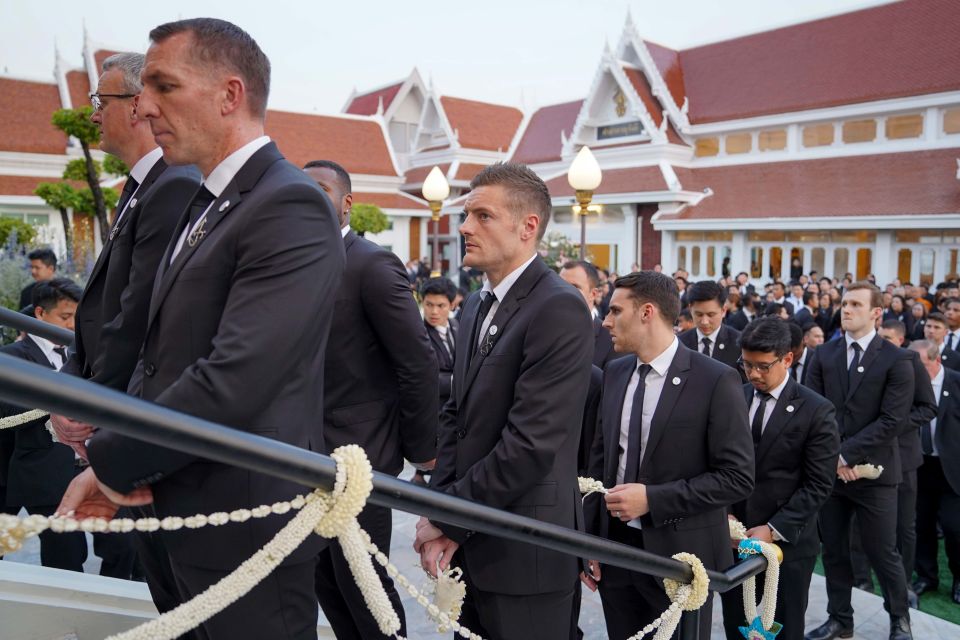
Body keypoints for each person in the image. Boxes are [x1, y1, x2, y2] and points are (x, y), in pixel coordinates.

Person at [57, 18, 345, 639]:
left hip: (245, 521)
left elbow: (234, 379)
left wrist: (113, 463)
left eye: (163, 85)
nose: (145, 105)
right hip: (179, 501)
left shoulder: (288, 203)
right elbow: (156, 355)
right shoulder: (204, 200)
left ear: (230, 95)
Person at [413, 163, 593, 640]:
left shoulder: (558, 306)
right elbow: (457, 419)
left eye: (483, 216)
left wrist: (450, 519)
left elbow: (530, 444)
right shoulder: (475, 303)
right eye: (466, 214)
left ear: (527, 226)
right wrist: (438, 508)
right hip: (473, 539)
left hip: (526, 549)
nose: (466, 227)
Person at [49, 52, 202, 587]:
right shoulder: (138, 187)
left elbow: (135, 318)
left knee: (170, 582)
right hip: (115, 413)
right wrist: (70, 386)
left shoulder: (175, 184)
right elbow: (97, 315)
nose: (93, 114)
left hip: (141, 416)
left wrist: (88, 404)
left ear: (137, 105)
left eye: (100, 101)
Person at [305, 158, 437, 640]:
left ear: (347, 203)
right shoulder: (290, 264)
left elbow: (416, 360)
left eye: (319, 189)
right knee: (325, 584)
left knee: (365, 587)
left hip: (359, 455)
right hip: (300, 453)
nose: (307, 196)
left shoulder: (371, 263)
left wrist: (421, 450)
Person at [582, 270, 754, 640]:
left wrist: (653, 499)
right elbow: (600, 461)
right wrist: (591, 541)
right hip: (616, 553)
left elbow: (737, 476)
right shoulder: (615, 371)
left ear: (646, 312)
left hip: (680, 559)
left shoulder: (715, 379)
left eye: (614, 311)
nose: (606, 321)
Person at [805, 282, 915, 640]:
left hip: (877, 475)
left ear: (876, 313)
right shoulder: (824, 354)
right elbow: (816, 411)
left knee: (883, 553)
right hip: (831, 475)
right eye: (843, 303)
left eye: (854, 304)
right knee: (834, 551)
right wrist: (833, 458)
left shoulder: (897, 359)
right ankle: (840, 619)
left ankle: (899, 620)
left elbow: (892, 420)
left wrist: (844, 454)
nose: (845, 310)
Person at [720, 318, 839, 640]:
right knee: (737, 623)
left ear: (787, 359)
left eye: (763, 366)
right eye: (747, 365)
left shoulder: (816, 410)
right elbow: (717, 462)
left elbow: (819, 483)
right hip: (734, 536)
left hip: (788, 542)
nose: (754, 374)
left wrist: (773, 529)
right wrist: (725, 514)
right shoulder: (732, 396)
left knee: (784, 626)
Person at [0, 279, 88, 572]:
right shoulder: (12, 355)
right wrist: (55, 405)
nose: (72, 325)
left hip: (74, 468)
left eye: (77, 317)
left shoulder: (77, 354)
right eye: (65, 317)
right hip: (26, 468)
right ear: (40, 314)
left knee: (77, 556)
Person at [909, 340, 960, 605]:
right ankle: (927, 576)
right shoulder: (908, 385)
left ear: (937, 360)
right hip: (920, 466)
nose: (916, 372)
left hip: (953, 469)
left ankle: (959, 578)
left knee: (954, 527)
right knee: (922, 525)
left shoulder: (957, 383)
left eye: (922, 366)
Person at [678, 280, 745, 380]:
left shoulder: (738, 343)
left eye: (711, 315)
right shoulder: (680, 343)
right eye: (699, 315)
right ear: (690, 309)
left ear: (723, 311)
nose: (704, 322)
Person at [561, 260, 619, 369]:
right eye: (560, 285)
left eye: (575, 287)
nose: (564, 291)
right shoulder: (543, 330)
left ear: (593, 294)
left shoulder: (611, 339)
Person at [420, 276, 459, 414]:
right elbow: (424, 380)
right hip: (433, 412)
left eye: (440, 306)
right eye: (429, 304)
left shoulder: (457, 326)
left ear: (452, 305)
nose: (434, 312)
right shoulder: (418, 334)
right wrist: (461, 380)